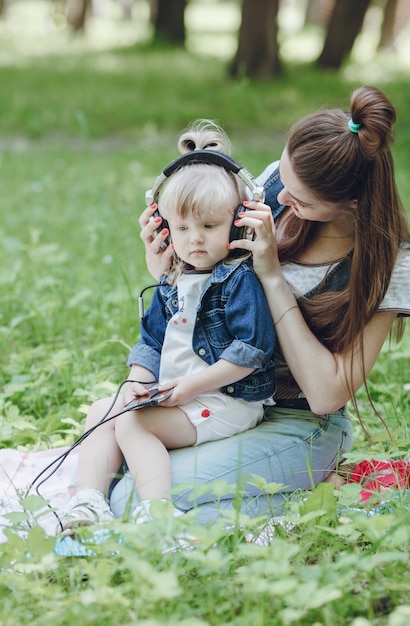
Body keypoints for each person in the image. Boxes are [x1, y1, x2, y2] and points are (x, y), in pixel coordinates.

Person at [109, 87, 410, 524]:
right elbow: (209, 273)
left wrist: (272, 276)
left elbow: (328, 393)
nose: (282, 201)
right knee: (119, 460)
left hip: (299, 423)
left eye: (302, 201)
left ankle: (320, 489)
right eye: (283, 181)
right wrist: (169, 267)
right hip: (215, 396)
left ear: (350, 203)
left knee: (134, 499)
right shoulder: (275, 183)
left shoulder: (391, 266)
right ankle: (310, 490)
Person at [58, 128, 276, 532]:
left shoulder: (238, 280)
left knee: (133, 423)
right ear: (164, 227)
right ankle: (87, 502)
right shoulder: (173, 282)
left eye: (210, 226)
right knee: (103, 411)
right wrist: (134, 384)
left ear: (238, 222)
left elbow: (253, 348)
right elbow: (152, 343)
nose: (195, 239)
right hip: (182, 396)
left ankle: (157, 514)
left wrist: (192, 387)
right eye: (182, 229)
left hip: (226, 399)